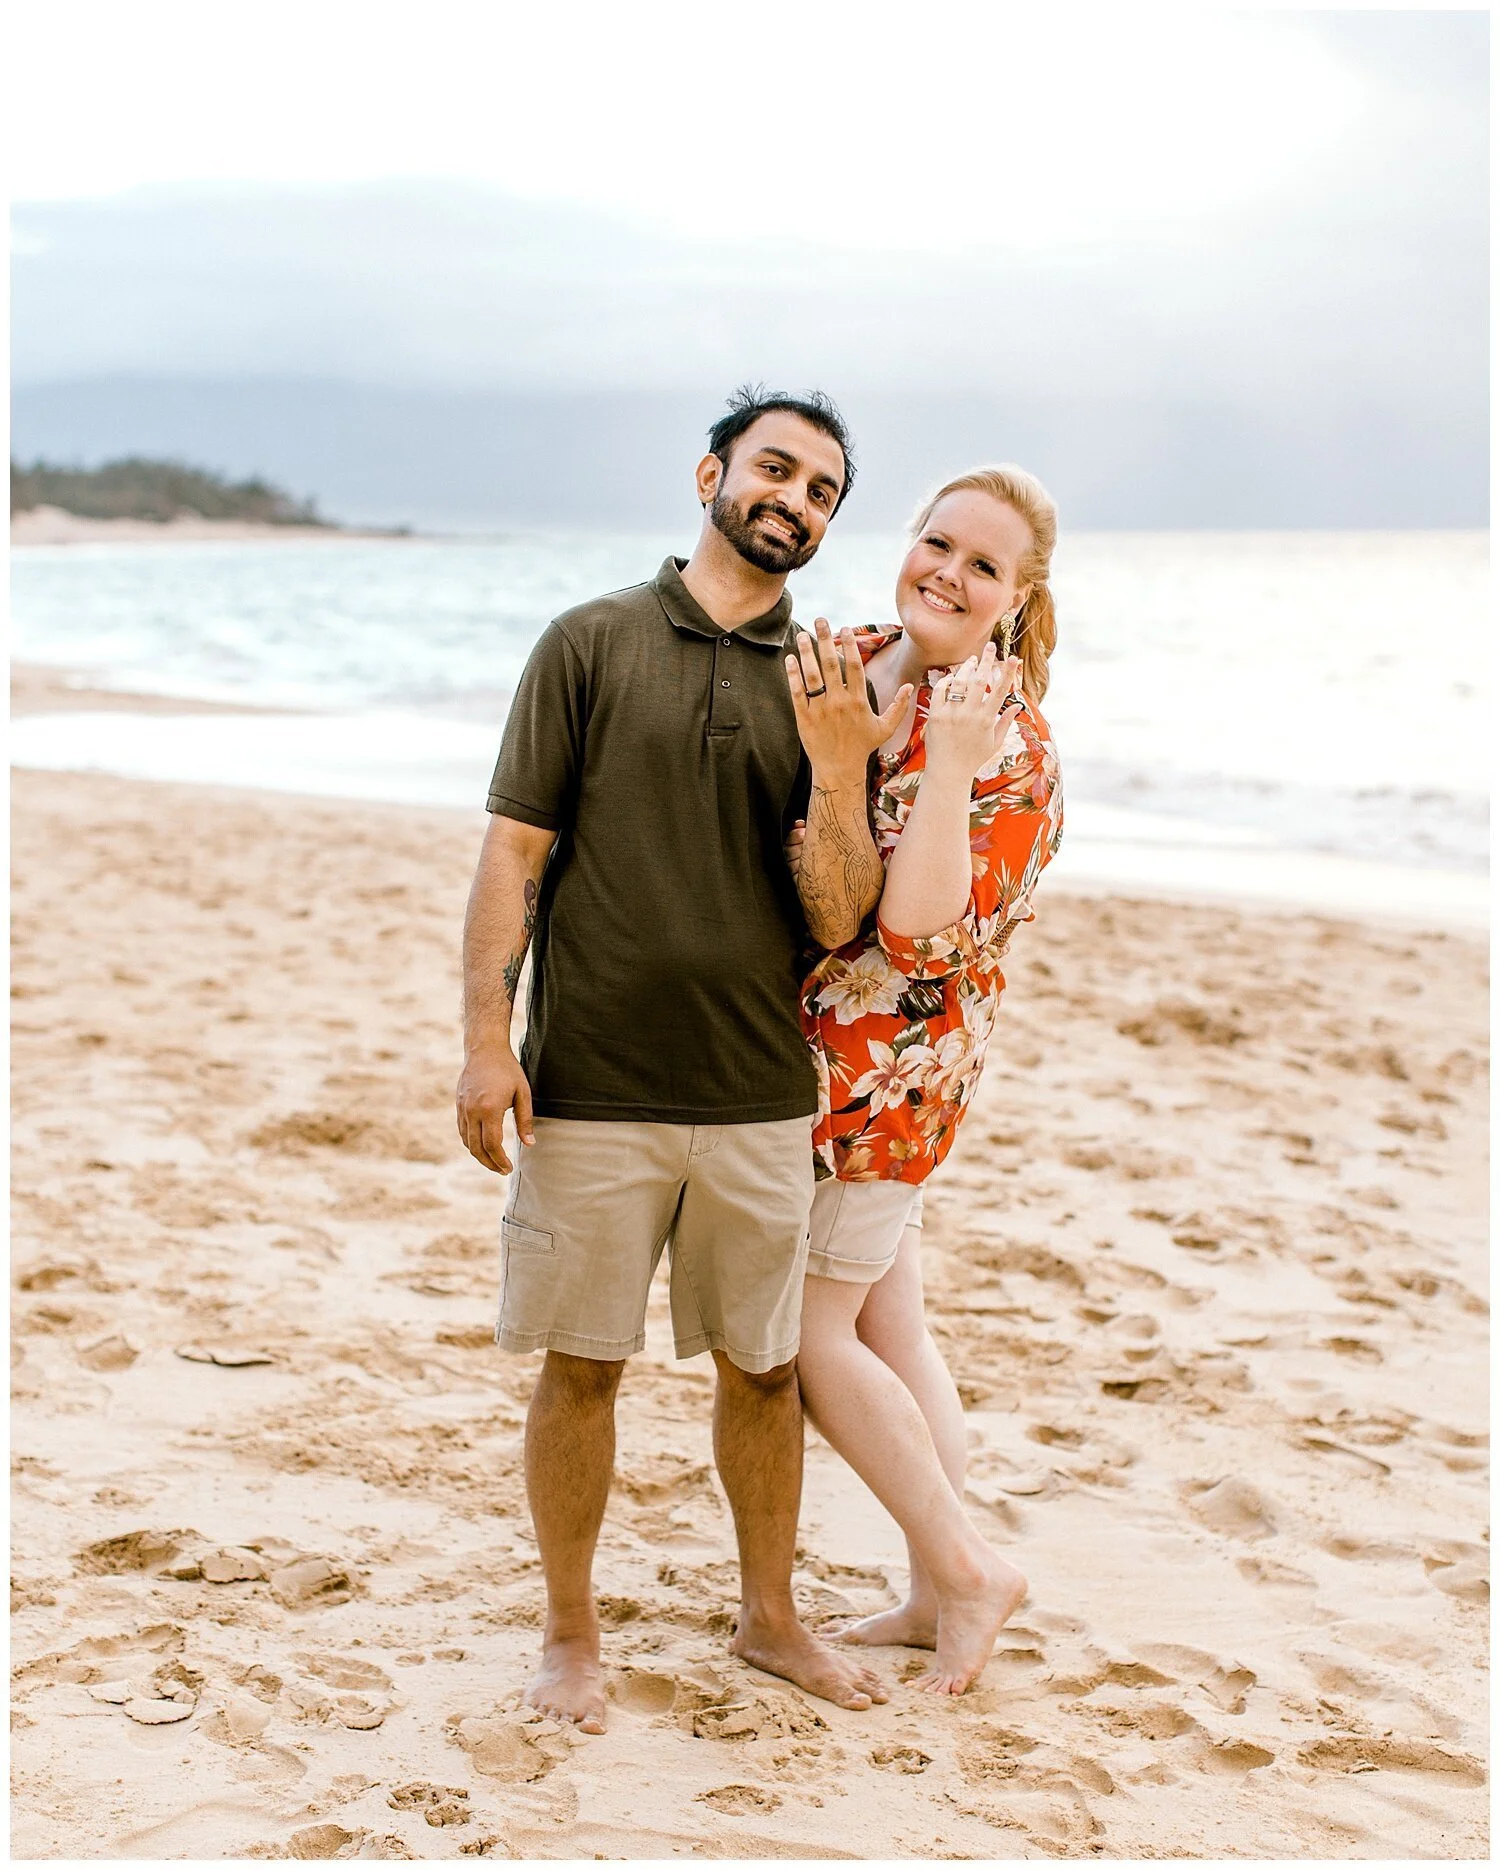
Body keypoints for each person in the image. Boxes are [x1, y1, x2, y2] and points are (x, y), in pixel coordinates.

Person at [455, 386, 908, 1732]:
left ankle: (770, 1616)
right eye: (777, 468)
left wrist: (838, 767)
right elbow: (512, 855)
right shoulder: (586, 642)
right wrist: (488, 1041)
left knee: (763, 1374)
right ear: (712, 473)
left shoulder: (827, 682)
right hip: (591, 1084)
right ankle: (569, 1633)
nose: (797, 498)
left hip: (758, 1091)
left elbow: (837, 915)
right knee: (580, 1365)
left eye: (824, 489)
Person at [784, 465, 1064, 1695]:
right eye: (937, 541)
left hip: (886, 1077)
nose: (948, 571)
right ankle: (927, 1587)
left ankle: (966, 1565)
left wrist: (945, 764)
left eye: (984, 564)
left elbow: (909, 937)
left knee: (805, 1339)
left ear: (1018, 597)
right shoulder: (852, 654)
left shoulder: (1011, 745)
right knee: (893, 1325)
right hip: (795, 1046)